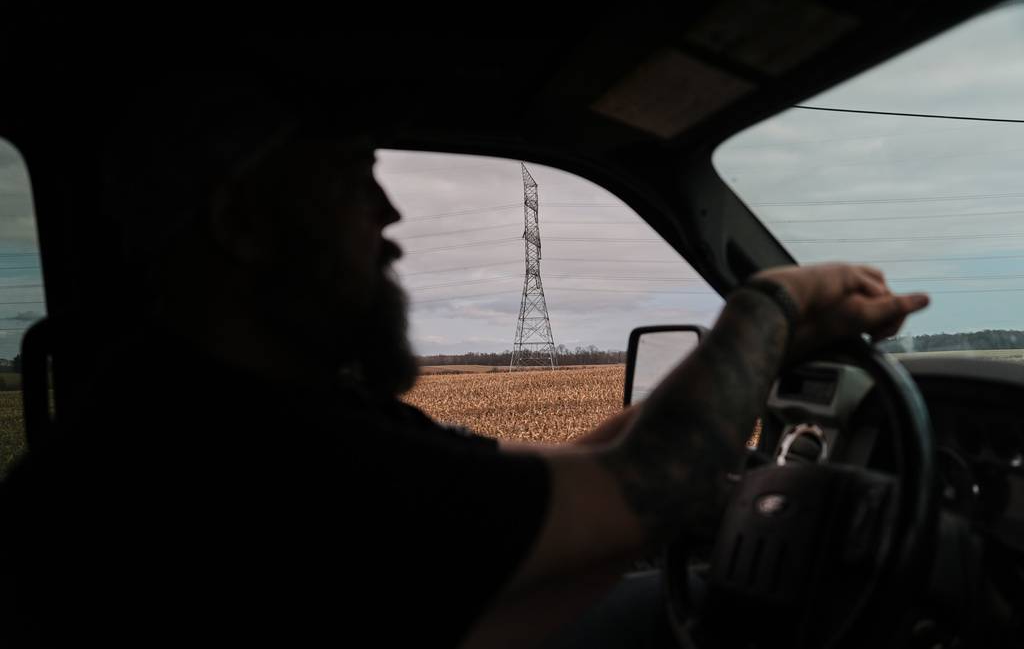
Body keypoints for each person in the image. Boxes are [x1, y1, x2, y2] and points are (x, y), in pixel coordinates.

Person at [0, 80, 929, 647]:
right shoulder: (238, 455)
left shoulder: (192, 410)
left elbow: (582, 483)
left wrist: (754, 367)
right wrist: (772, 305)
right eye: (354, 177)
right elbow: (652, 489)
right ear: (242, 222)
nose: (390, 216)